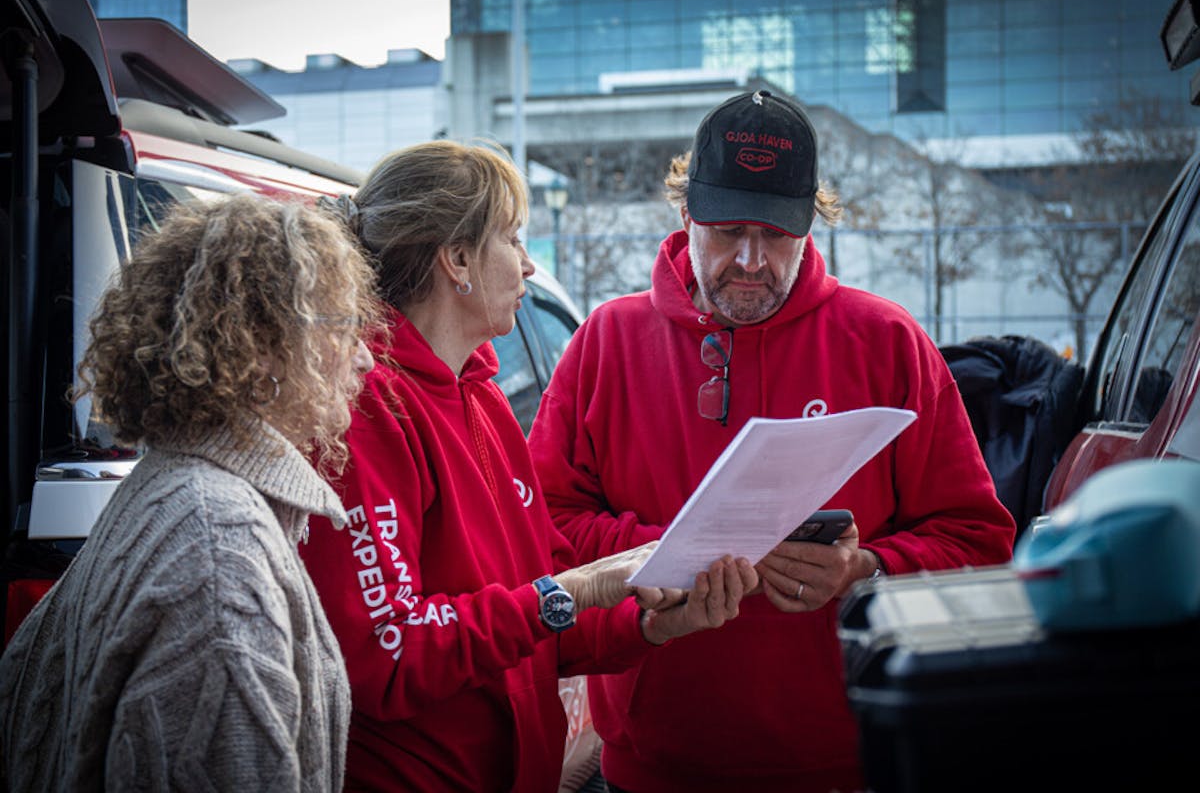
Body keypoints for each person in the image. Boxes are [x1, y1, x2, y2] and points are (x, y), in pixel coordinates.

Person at [527, 89, 1018, 792]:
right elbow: (542, 530)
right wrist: (666, 558)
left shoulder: (888, 344)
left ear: (812, 223)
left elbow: (979, 541)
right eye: (727, 230)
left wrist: (865, 569)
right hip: (654, 765)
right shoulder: (606, 343)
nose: (752, 261)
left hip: (846, 766)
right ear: (685, 212)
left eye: (778, 234)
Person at [300, 140, 758, 792]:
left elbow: (539, 607)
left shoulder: (480, 391)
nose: (531, 266)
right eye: (513, 241)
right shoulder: (370, 408)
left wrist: (652, 622)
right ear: (456, 260)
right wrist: (572, 591)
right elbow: (390, 653)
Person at [0, 194, 378, 790]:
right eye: (344, 326)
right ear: (262, 347)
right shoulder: (220, 550)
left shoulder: (176, 486)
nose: (365, 358)